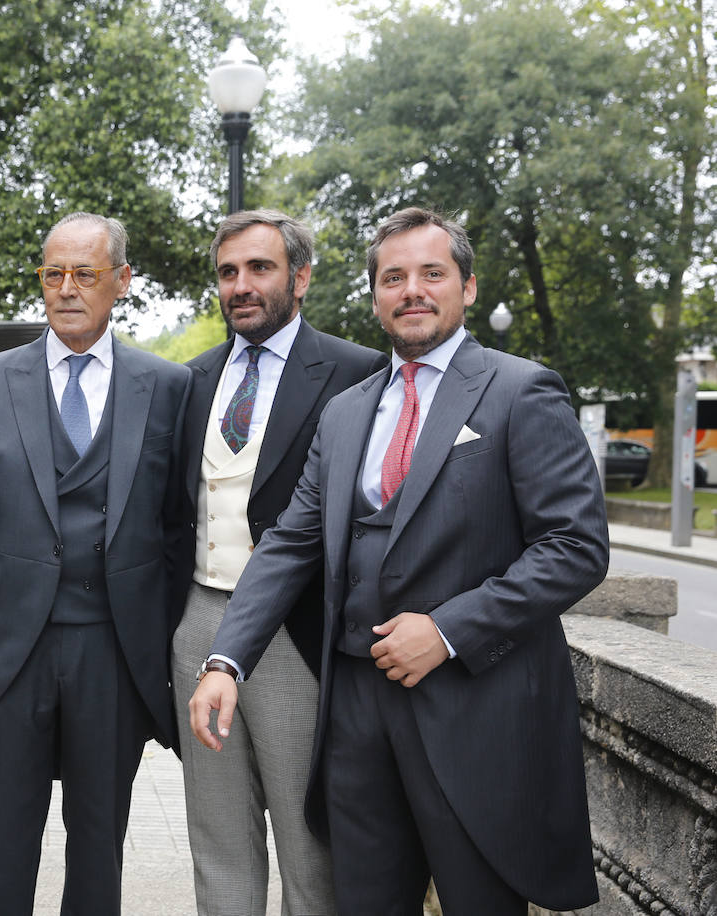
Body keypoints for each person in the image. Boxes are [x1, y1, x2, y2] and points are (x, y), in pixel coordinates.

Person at [189, 206, 607, 914]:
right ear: (375, 295)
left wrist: (447, 631)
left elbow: (575, 547)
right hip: (354, 712)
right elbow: (290, 543)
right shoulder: (346, 412)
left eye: (431, 273)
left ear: (467, 288)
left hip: (474, 708)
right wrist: (226, 660)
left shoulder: (521, 390)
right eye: (393, 278)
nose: (411, 290)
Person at [0, 211, 190, 915]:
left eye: (86, 273)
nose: (67, 288)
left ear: (123, 282)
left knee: (98, 849)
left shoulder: (166, 387)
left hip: (114, 654)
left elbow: (176, 530)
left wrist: (162, 655)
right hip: (5, 660)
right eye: (53, 273)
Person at [170, 209, 385, 915]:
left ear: (301, 276)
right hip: (200, 620)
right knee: (217, 834)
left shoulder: (357, 372)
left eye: (259, 268)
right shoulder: (194, 380)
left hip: (296, 631)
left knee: (308, 837)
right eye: (228, 272)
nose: (241, 285)